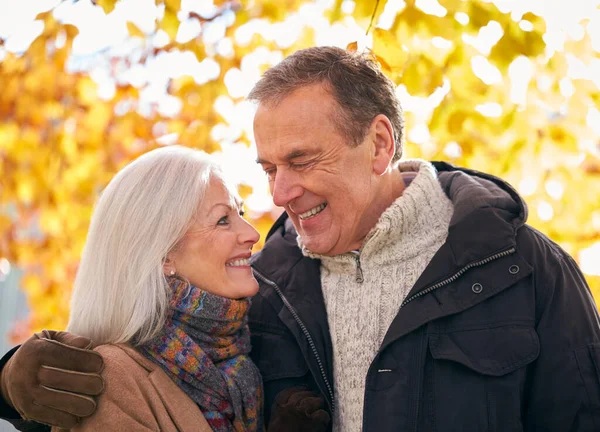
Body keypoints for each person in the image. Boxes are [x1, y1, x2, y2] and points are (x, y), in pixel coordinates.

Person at [2, 46, 600, 431]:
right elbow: (134, 357)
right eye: (268, 169)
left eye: (302, 161)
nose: (280, 194)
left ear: (380, 145)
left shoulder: (525, 269)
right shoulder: (261, 285)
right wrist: (10, 382)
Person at [0, 145, 329, 432]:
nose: (251, 233)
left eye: (240, 213)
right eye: (222, 220)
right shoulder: (112, 380)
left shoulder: (241, 355)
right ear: (163, 254)